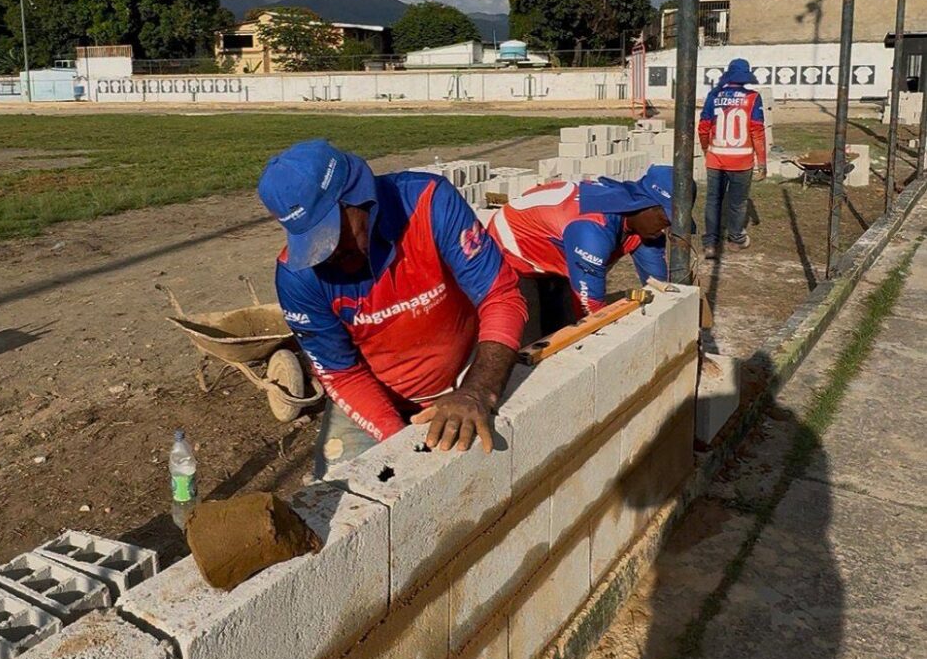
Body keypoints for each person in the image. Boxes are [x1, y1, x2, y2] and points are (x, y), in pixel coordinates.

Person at [257, 140, 527, 479]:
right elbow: (341, 372)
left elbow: (500, 295)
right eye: (311, 243)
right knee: (345, 506)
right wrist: (399, 442)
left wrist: (477, 389)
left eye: (332, 235)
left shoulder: (427, 203)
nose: (328, 255)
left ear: (357, 198)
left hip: (466, 378)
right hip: (373, 397)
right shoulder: (298, 278)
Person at [487, 166, 674, 331]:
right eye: (666, 220)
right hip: (511, 249)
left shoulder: (645, 227)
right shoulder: (592, 230)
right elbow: (592, 312)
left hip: (557, 243)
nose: (665, 229)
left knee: (564, 325)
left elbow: (660, 286)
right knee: (530, 343)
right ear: (645, 204)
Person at [698, 58, 767, 259]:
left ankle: (710, 242)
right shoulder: (753, 98)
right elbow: (757, 131)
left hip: (716, 157)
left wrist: (706, 149)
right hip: (742, 160)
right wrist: (761, 162)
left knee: (713, 200)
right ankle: (736, 239)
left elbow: (703, 127)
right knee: (738, 202)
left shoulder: (714, 95)